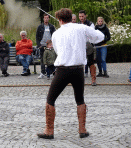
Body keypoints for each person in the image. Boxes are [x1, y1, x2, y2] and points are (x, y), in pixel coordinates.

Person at [37, 8, 104, 139]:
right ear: (70, 17)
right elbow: (99, 37)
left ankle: (49, 131)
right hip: (78, 69)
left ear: (60, 20)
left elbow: (56, 50)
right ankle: (82, 130)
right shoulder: (81, 28)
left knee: (51, 99)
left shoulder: (56, 33)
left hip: (63, 70)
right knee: (80, 100)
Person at [36, 14, 56, 79]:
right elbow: (37, 37)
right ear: (43, 19)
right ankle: (43, 72)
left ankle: (51, 72)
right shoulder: (40, 27)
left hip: (50, 46)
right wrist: (39, 45)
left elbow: (54, 35)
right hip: (42, 45)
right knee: (42, 60)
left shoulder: (51, 27)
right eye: (45, 18)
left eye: (47, 18)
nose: (46, 19)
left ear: (49, 19)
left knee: (51, 59)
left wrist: (53, 44)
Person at [78, 10, 95, 78]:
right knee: (80, 61)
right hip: (81, 44)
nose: (81, 18)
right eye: (80, 16)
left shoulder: (90, 24)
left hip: (89, 44)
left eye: (82, 16)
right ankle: (81, 74)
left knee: (90, 61)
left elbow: (91, 34)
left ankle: (93, 77)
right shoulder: (78, 24)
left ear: (85, 16)